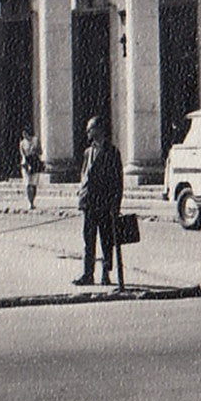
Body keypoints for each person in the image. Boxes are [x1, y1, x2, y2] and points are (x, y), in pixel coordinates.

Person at [73, 116, 122, 286]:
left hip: (105, 204)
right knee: (89, 240)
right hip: (89, 203)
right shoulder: (88, 152)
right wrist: (81, 195)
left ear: (99, 130)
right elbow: (85, 175)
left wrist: (116, 205)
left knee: (106, 241)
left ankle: (106, 274)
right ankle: (88, 274)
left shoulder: (112, 152)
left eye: (90, 128)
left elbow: (118, 181)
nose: (87, 132)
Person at [18, 129, 43, 209]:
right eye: (23, 133)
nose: (24, 135)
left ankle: (33, 200)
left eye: (25, 133)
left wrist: (35, 151)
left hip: (35, 163)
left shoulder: (35, 140)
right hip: (26, 164)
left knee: (34, 184)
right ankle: (30, 202)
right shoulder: (22, 143)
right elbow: (22, 154)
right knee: (28, 184)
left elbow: (40, 151)